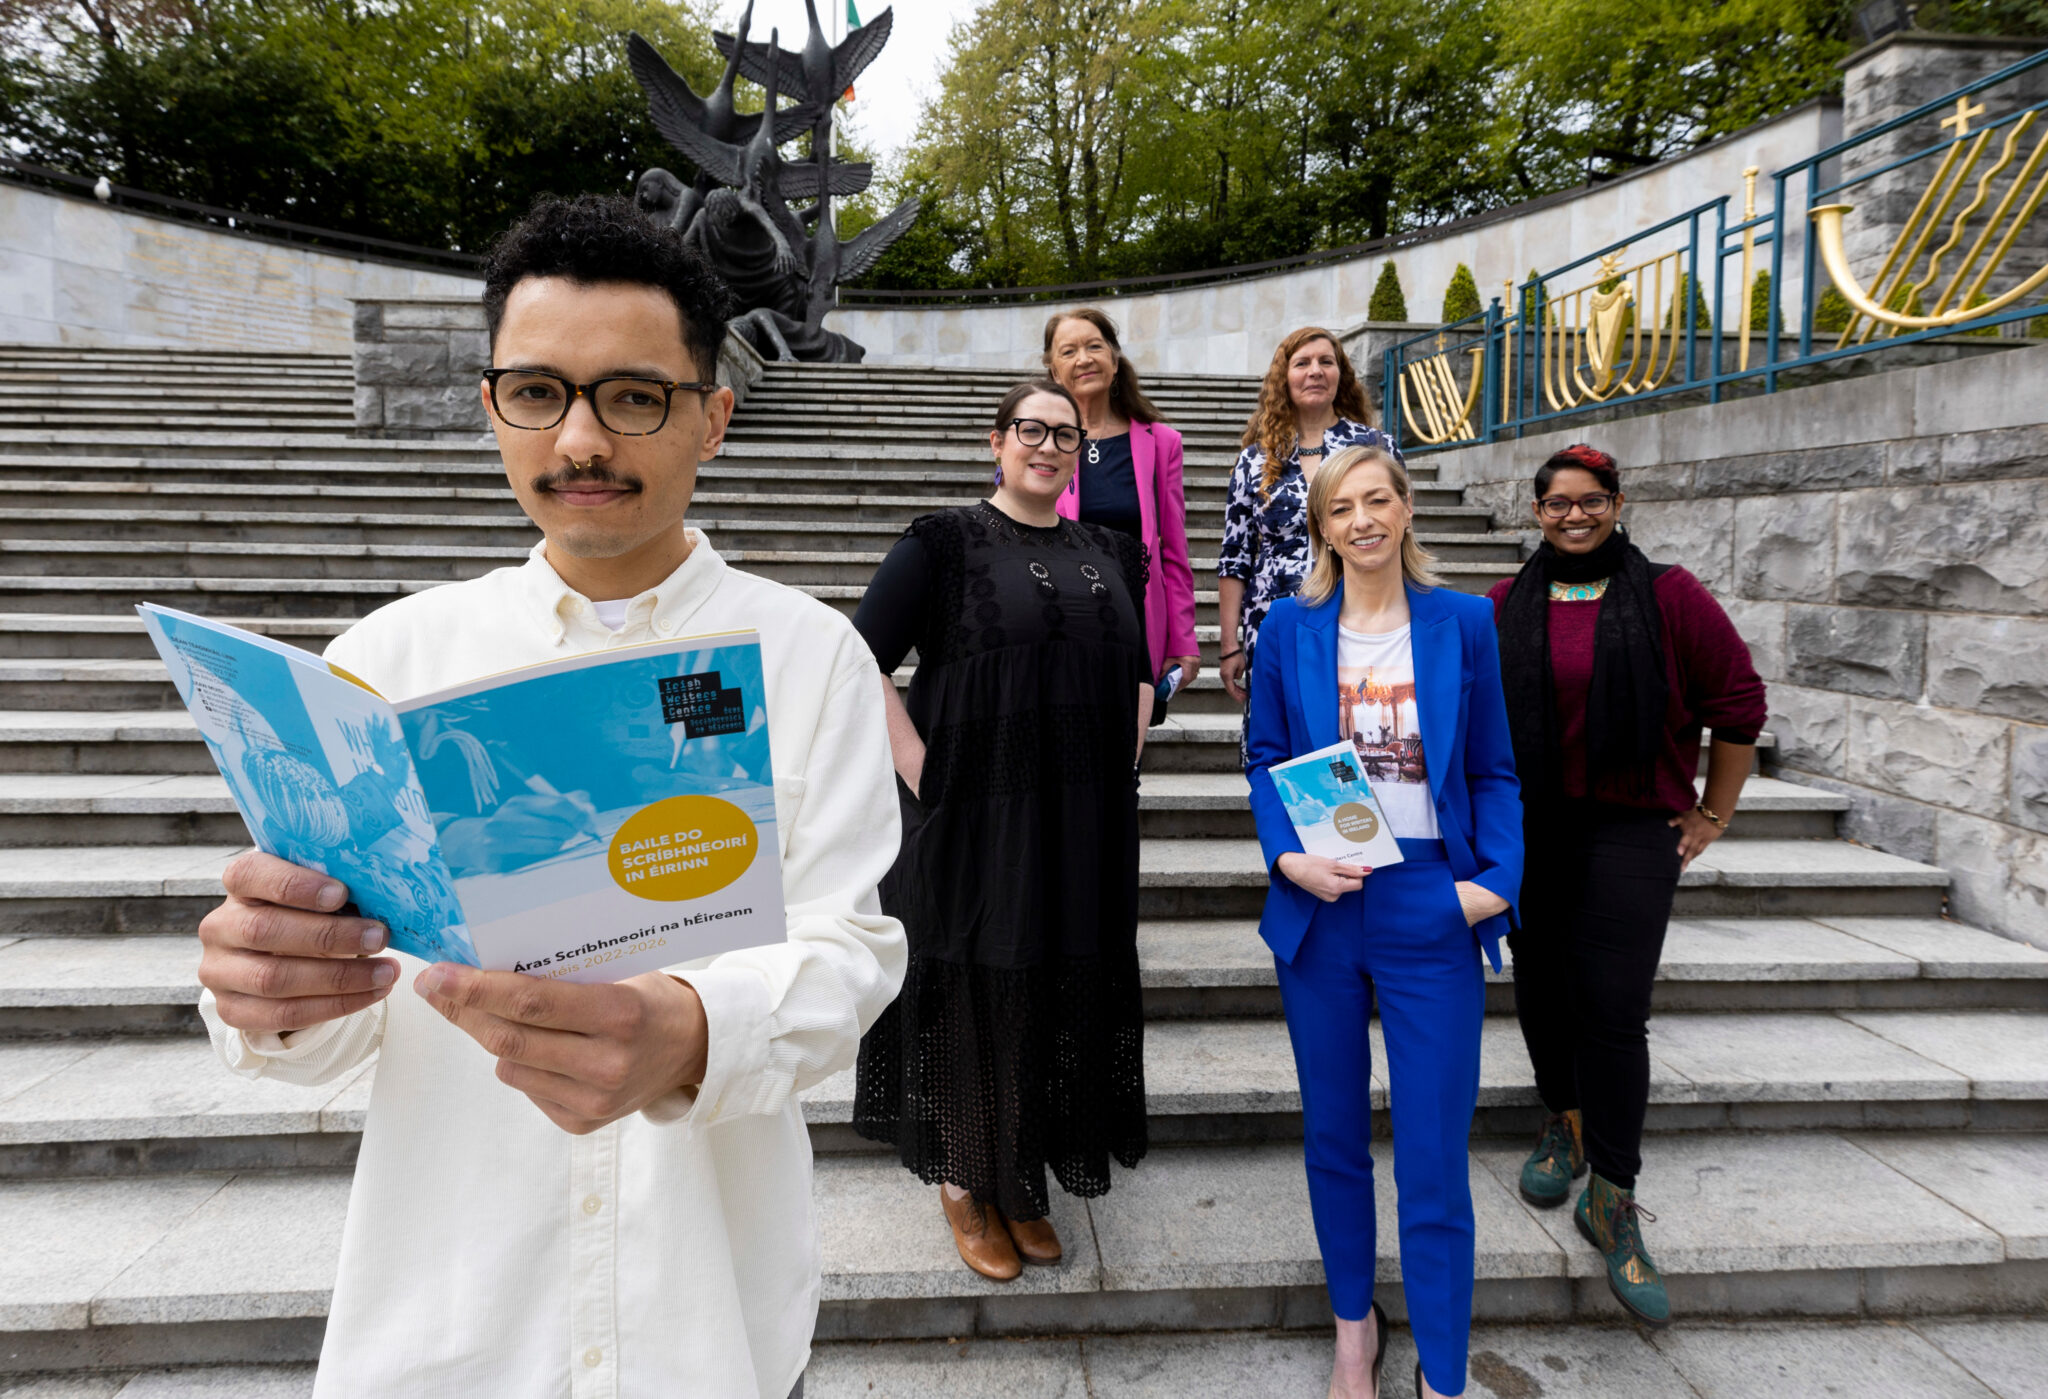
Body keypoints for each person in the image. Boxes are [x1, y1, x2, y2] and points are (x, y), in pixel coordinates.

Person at [191, 194, 905, 1399]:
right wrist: (269, 991)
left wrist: (690, 1032)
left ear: (712, 418)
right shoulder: (382, 662)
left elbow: (851, 948)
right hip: (453, 1329)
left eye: (633, 395)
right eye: (538, 392)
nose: (580, 440)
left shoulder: (807, 653)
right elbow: (327, 1035)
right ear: (493, 409)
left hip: (710, 1326)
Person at [850, 379, 1153, 1282]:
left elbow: (1138, 669)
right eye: (1032, 429)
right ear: (998, 440)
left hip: (1081, 815)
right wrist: (920, 770)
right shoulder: (941, 541)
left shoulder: (1111, 547)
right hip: (973, 814)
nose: (1049, 445)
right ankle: (962, 1174)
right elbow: (856, 658)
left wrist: (1122, 766)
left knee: (1057, 977)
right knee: (975, 980)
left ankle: (1020, 1175)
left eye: (1067, 434)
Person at [1246, 444, 1521, 1399]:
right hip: (1324, 905)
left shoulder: (1464, 623)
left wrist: (1494, 884)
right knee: (1333, 1134)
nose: (1361, 518)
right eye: (1341, 507)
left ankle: (1444, 1370)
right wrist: (1287, 856)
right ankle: (1353, 1331)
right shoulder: (1288, 628)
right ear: (1320, 527)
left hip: (1431, 903)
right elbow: (1266, 755)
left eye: (1378, 499)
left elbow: (1495, 767)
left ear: (1406, 510)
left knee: (1436, 1150)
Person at [1487, 444, 1765, 1330]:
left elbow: (1740, 705)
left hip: (1631, 827)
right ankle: (1560, 1123)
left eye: (1591, 499)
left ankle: (1612, 1190)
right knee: (1539, 984)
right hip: (1532, 827)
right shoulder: (1502, 604)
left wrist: (1711, 815)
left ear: (1616, 502)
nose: (1575, 514)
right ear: (1536, 510)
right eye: (1558, 501)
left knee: (1611, 1004)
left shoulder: (1669, 594)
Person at [1219, 328, 1404, 756]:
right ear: (1284, 378)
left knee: (1353, 731)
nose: (1315, 372)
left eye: (1326, 361)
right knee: (1280, 744)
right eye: (1302, 363)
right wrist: (1230, 645)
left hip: (1359, 615)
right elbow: (1235, 557)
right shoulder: (1256, 458)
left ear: (1342, 374)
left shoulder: (1375, 447)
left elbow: (1397, 530)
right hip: (1273, 622)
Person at [1041, 308, 1201, 709]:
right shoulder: (1035, 439)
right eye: (1069, 351)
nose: (1084, 359)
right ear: (1054, 370)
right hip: (1054, 623)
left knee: (1127, 761)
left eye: (1095, 346)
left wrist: (1183, 639)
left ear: (1114, 359)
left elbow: (1174, 552)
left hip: (1135, 624)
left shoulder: (1162, 442)